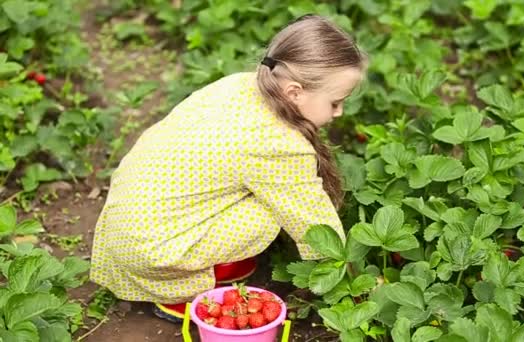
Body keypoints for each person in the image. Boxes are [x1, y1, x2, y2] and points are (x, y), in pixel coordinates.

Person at [89, 14, 368, 323]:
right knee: (270, 211)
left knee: (261, 191)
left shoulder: (238, 85)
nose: (340, 112)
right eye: (335, 102)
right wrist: (351, 281)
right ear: (294, 93)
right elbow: (312, 219)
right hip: (153, 249)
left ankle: (214, 265)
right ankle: (182, 293)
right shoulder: (279, 143)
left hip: (129, 220)